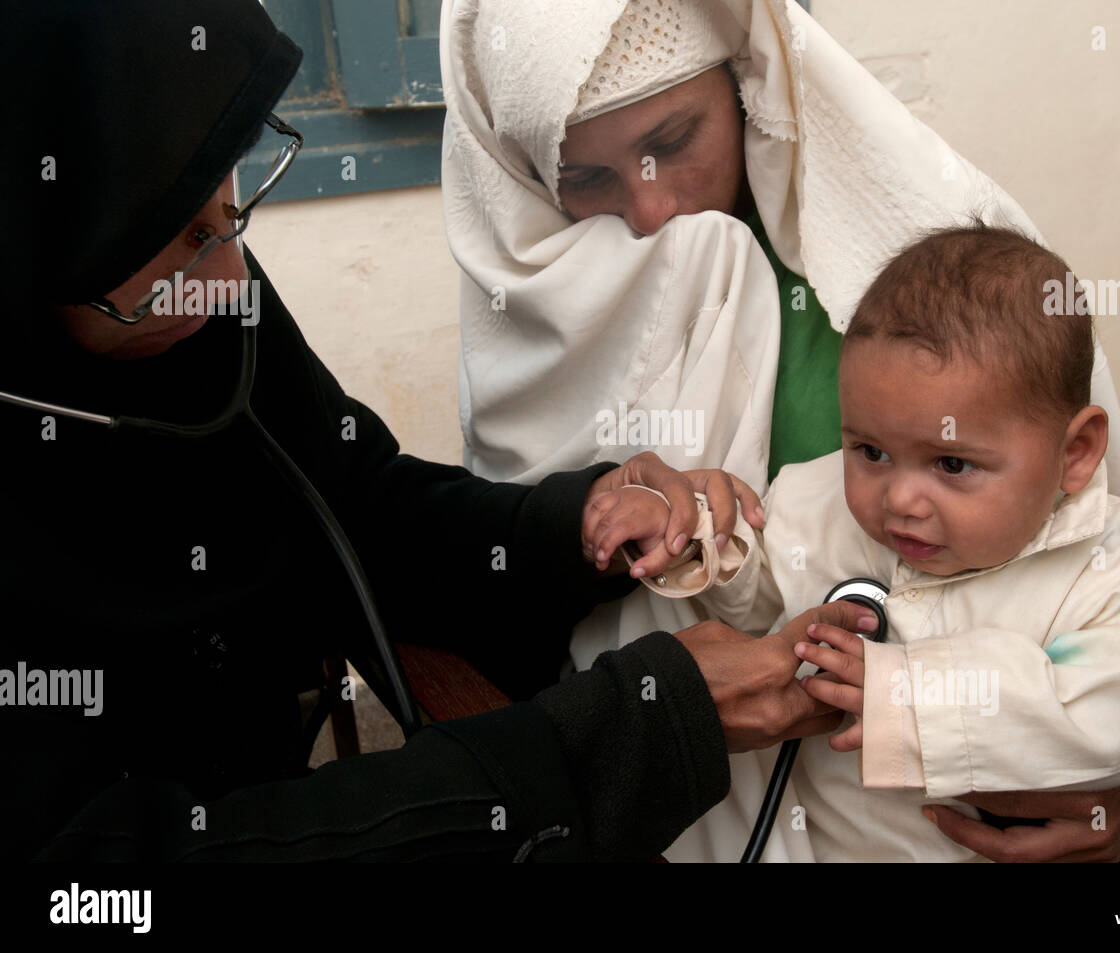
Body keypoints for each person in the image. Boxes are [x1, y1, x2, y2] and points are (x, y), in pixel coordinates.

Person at [1, 0, 865, 863]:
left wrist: (573, 522)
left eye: (227, 199)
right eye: (172, 241)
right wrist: (635, 724)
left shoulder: (199, 302)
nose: (227, 279)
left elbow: (363, 507)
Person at [440, 0, 1120, 860]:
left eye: (678, 138)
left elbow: (1106, 626)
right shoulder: (541, 320)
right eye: (586, 178)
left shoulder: (923, 276)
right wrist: (696, 537)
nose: (651, 210)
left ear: (751, 81)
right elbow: (755, 565)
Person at [594, 225, 1120, 860]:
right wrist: (691, 536)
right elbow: (762, 596)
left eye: (952, 464)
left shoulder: (1109, 565)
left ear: (1074, 454)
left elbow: (1107, 726)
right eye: (871, 450)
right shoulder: (820, 498)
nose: (899, 500)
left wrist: (907, 695)